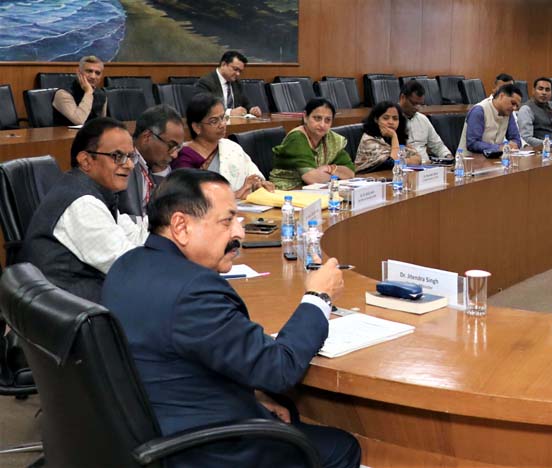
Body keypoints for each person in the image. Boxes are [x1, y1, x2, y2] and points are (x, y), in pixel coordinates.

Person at [101, 169, 361, 467]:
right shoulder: (195, 291)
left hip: (153, 426)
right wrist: (318, 298)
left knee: (288, 410)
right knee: (341, 446)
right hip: (203, 451)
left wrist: (251, 395)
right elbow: (279, 369)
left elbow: (174, 356)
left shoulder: (127, 265)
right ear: (181, 226)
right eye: (227, 221)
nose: (239, 232)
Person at [15, 117, 148, 302]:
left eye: (131, 156)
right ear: (86, 160)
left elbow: (134, 234)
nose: (129, 165)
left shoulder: (95, 191)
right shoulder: (82, 204)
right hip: (69, 316)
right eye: (118, 156)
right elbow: (128, 266)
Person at [173, 93, 274, 199]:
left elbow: (252, 174)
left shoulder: (231, 147)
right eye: (214, 121)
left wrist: (257, 184)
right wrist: (236, 194)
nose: (222, 124)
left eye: (223, 118)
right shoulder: (185, 157)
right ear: (197, 127)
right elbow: (188, 199)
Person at [270, 98, 355, 190]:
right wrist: (337, 174)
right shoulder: (297, 138)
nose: (322, 125)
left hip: (316, 190)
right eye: (317, 118)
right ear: (305, 117)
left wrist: (329, 168)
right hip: (287, 190)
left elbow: (350, 173)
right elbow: (312, 179)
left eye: (327, 120)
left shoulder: (332, 139)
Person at [118, 105, 185, 218]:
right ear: (147, 137)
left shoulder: (156, 164)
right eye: (171, 146)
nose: (174, 155)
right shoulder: (122, 161)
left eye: (177, 148)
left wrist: (160, 173)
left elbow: (169, 210)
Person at [355, 101, 419, 173]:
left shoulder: (393, 137)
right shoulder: (369, 140)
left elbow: (417, 158)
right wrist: (394, 137)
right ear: (376, 119)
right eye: (385, 118)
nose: (391, 122)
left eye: (395, 119)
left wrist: (404, 161)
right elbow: (394, 163)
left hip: (388, 176)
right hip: (368, 179)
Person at [195, 50, 263, 118]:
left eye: (240, 71)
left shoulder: (237, 83)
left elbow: (246, 103)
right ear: (223, 64)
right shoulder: (206, 82)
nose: (238, 74)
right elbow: (204, 108)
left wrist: (252, 109)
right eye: (235, 69)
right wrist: (230, 112)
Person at [459, 84, 522, 155]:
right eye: (513, 103)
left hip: (494, 160)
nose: (514, 108)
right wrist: (498, 148)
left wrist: (514, 144)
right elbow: (472, 143)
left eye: (517, 106)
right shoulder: (479, 111)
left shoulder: (508, 113)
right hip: (469, 161)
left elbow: (516, 139)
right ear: (501, 96)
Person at [398, 80, 452, 163]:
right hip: (404, 166)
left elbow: (437, 146)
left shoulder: (423, 119)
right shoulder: (391, 120)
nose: (417, 108)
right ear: (403, 97)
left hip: (427, 168)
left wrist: (448, 157)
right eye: (414, 103)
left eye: (420, 104)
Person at [52, 55, 108, 126]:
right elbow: (79, 121)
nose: (93, 76)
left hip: (92, 135)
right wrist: (88, 92)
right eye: (89, 71)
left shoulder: (101, 94)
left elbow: (102, 124)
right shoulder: (63, 94)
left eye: (97, 73)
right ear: (78, 72)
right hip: (66, 136)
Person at [517, 77, 552, 147]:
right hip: (541, 149)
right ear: (533, 91)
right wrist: (548, 143)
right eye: (540, 89)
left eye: (547, 90)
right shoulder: (526, 109)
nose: (544, 93)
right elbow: (526, 138)